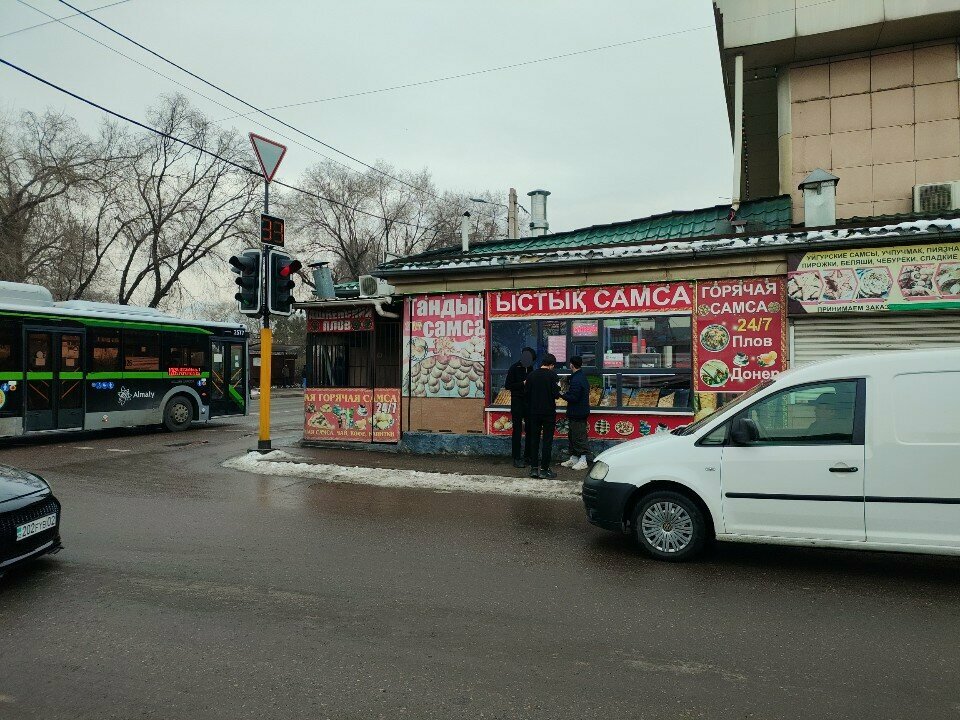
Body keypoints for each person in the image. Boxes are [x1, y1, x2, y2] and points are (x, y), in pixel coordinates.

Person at [525, 352, 560, 479]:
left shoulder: (531, 375)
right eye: (553, 366)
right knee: (547, 441)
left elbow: (526, 394)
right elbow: (556, 394)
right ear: (551, 365)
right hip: (548, 413)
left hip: (533, 413)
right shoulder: (553, 376)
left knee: (534, 440)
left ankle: (534, 469)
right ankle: (545, 470)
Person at [504, 347, 535, 468]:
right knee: (517, 430)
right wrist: (523, 383)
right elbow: (508, 386)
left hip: (529, 402)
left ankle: (528, 456)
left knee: (530, 430)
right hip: (517, 402)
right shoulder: (514, 368)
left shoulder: (531, 368)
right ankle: (516, 457)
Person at [559, 356, 591, 471]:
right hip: (577, 412)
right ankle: (574, 458)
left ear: (571, 365)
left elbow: (574, 397)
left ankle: (583, 460)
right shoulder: (579, 377)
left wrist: (561, 394)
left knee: (579, 436)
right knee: (572, 435)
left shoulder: (577, 379)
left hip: (578, 412)